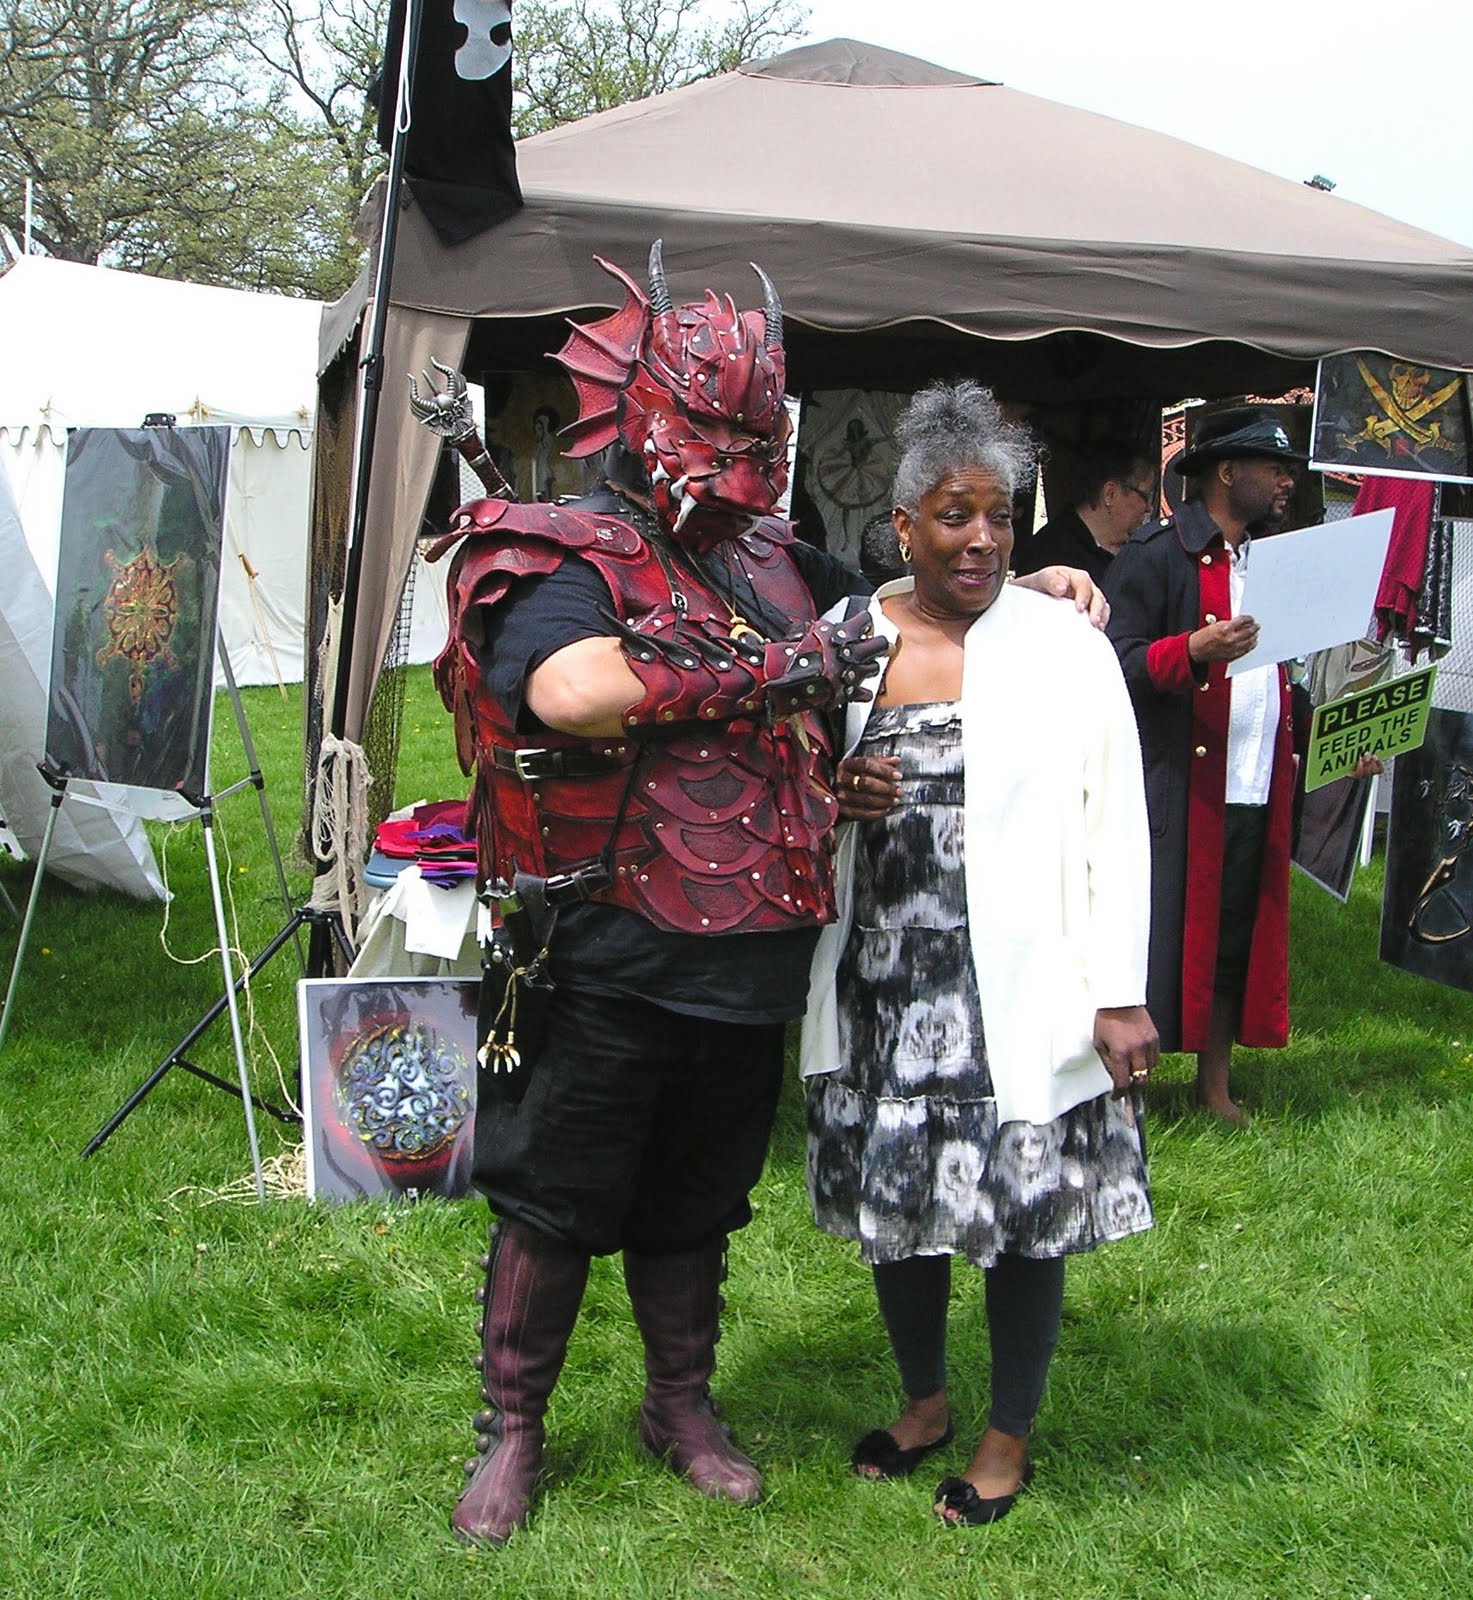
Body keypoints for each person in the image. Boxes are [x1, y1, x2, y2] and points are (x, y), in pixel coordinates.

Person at [430, 249, 1105, 1545]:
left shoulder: (776, 560)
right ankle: (512, 1429)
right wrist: (776, 671)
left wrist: (1023, 585)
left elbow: (897, 610)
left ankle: (678, 1406)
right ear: (645, 413)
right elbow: (571, 690)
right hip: (608, 939)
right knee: (556, 1196)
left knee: (698, 1198)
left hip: (752, 952)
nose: (741, 464)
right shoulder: (565, 550)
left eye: (758, 437)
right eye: (719, 434)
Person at [802, 380, 1157, 1528]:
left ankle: (1007, 1432)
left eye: (1001, 515)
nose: (983, 539)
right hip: (884, 987)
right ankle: (923, 1403)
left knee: (1022, 1208)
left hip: (1026, 987)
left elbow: (1115, 821)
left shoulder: (1063, 643)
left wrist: (1118, 993)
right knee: (898, 1203)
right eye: (955, 515)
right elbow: (784, 784)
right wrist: (834, 793)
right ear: (902, 524)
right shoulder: (848, 641)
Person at [1104, 406, 1373, 1124]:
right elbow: (1110, 662)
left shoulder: (1266, 563)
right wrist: (1189, 651)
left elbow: (1282, 682)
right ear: (1226, 472)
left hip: (1252, 784)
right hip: (1174, 789)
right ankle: (1120, 1087)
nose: (1287, 482)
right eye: (1273, 469)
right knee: (1150, 938)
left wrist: (1336, 745)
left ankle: (1213, 1085)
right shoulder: (1155, 555)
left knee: (1231, 936)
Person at [1014, 443, 1157, 584]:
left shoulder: (1132, 551)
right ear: (1110, 494)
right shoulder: (1051, 555)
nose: (1149, 508)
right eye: (1145, 496)